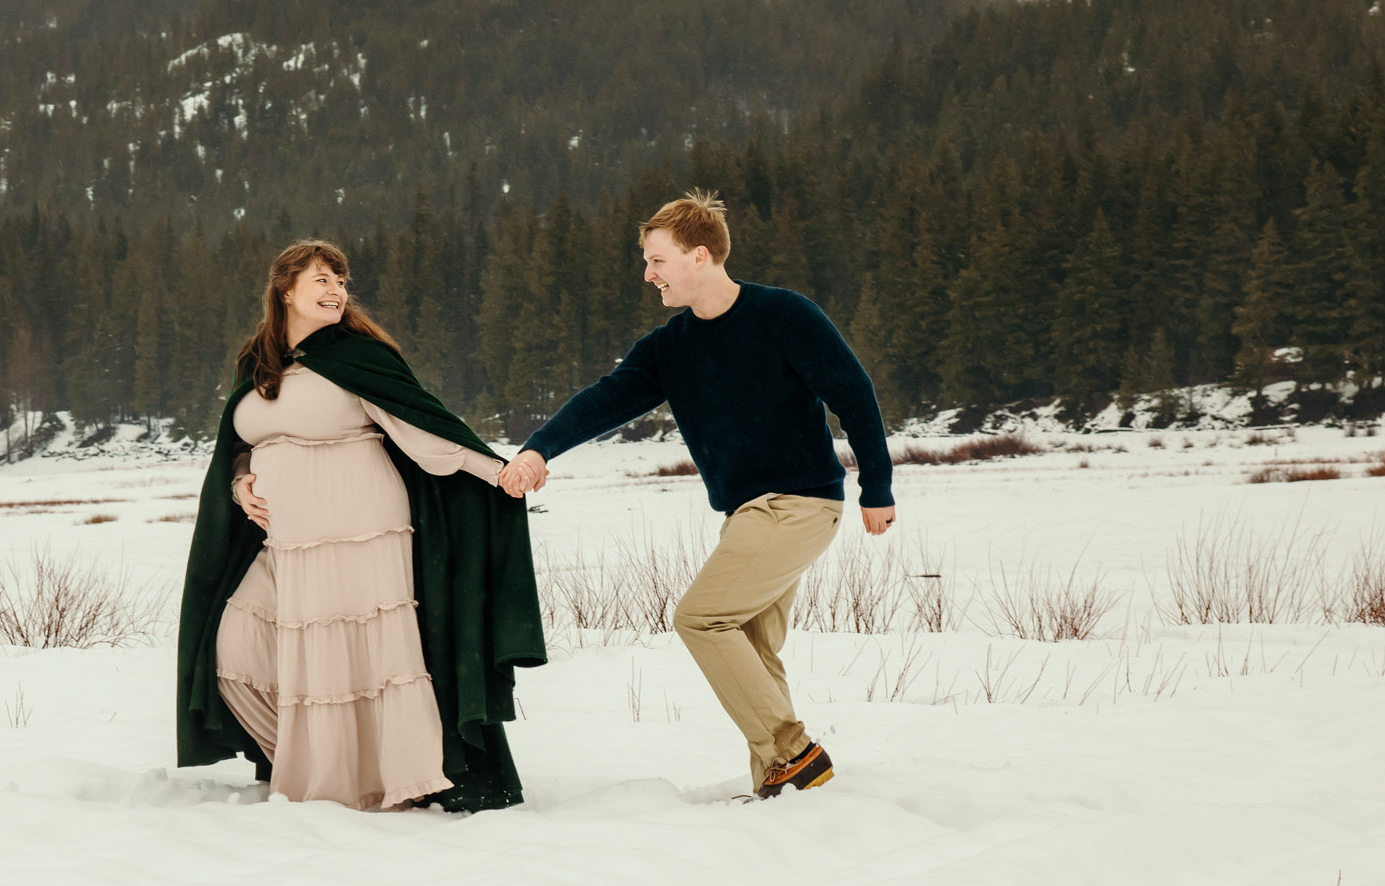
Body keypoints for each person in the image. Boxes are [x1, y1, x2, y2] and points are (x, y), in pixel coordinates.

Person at [498, 191, 896, 798]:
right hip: (745, 515)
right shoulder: (670, 347)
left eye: (657, 261)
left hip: (800, 503)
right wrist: (537, 450)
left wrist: (877, 486)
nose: (648, 274)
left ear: (700, 256)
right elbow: (604, 401)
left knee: (702, 619)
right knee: (753, 645)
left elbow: (855, 395)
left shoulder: (785, 315)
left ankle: (795, 753)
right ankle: (783, 787)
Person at [176, 240, 545, 811]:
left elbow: (423, 431)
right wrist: (239, 481)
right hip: (289, 540)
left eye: (340, 281)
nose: (335, 290)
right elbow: (241, 443)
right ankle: (324, 766)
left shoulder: (360, 356)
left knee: (365, 656)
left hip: (365, 526)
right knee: (236, 649)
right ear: (286, 290)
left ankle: (392, 778)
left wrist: (498, 472)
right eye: (321, 279)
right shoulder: (258, 363)